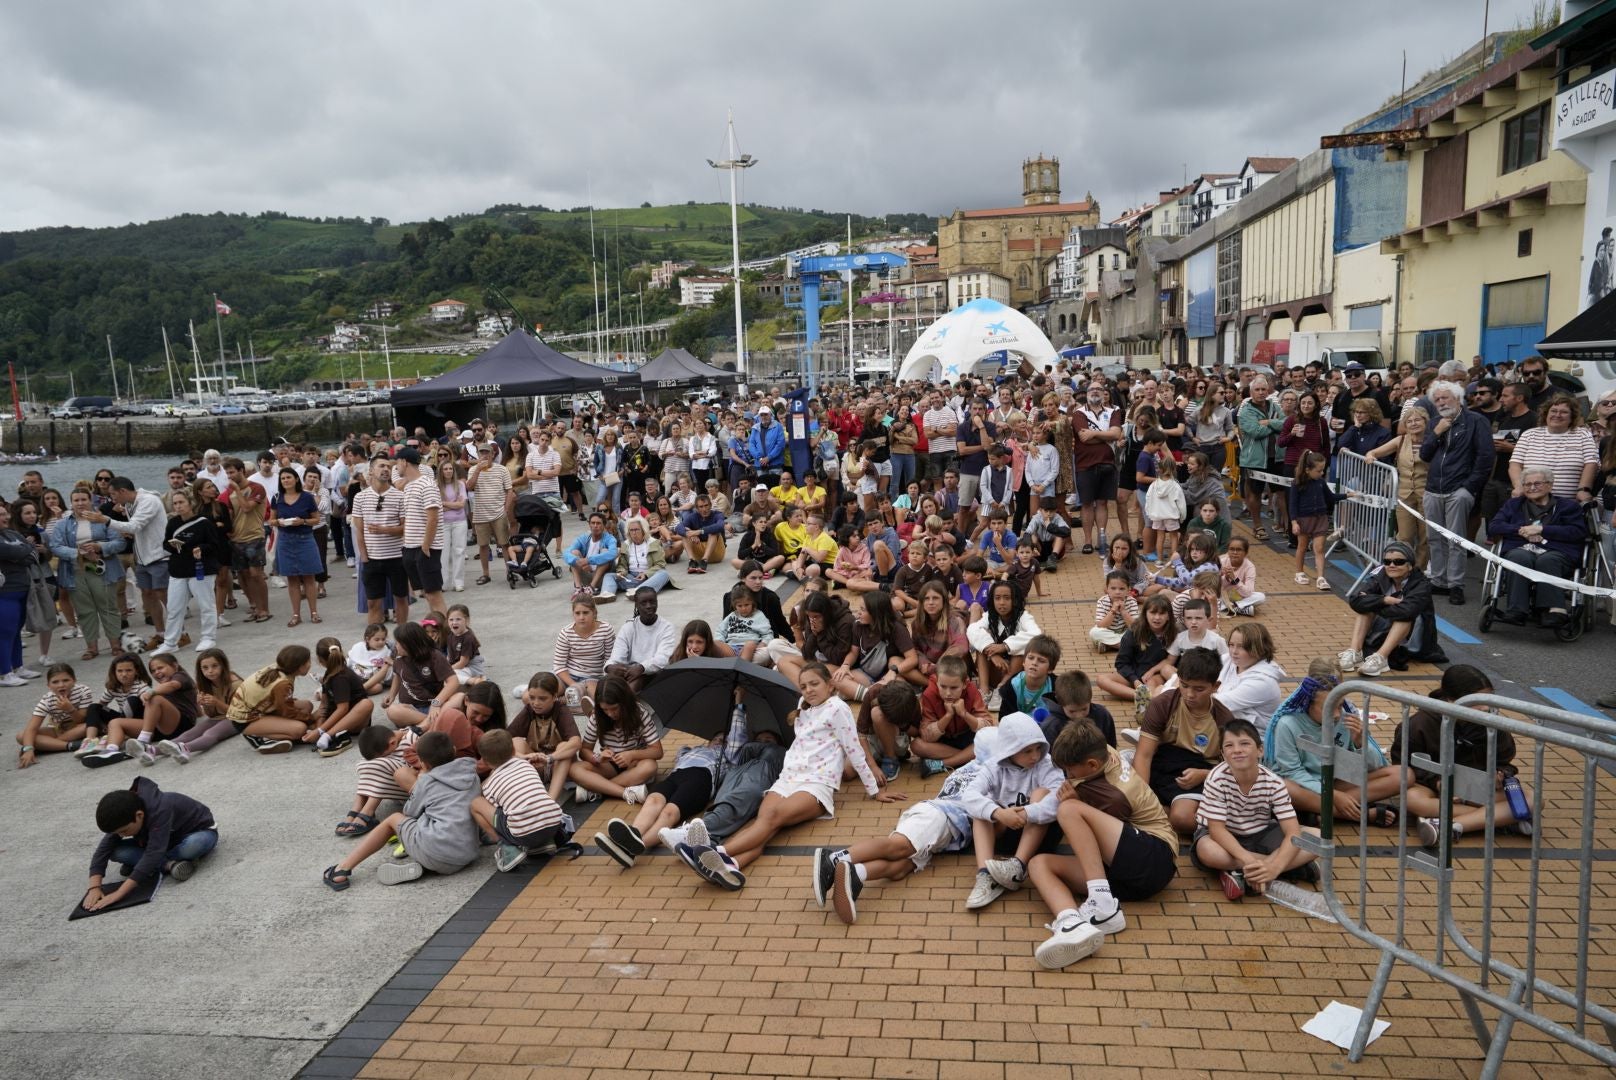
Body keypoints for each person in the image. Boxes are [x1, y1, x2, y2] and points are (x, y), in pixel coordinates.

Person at [676, 662, 902, 889]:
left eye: (815, 684)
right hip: (787, 780)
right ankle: (732, 867)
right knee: (764, 825)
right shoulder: (803, 709)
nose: (809, 690)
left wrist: (874, 790)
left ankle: (713, 853)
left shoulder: (837, 707)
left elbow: (853, 749)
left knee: (771, 819)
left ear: (830, 685)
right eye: (804, 686)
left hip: (816, 784)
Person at [1025, 719, 1179, 970]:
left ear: (1092, 765)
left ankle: (1102, 903)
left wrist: (1076, 801)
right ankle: (1071, 923)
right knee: (1039, 864)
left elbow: (1099, 835)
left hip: (1155, 856)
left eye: (1071, 773)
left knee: (1069, 809)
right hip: (1126, 871)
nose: (1068, 777)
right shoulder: (1102, 750)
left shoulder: (1113, 795)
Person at [813, 726, 995, 925]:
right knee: (898, 847)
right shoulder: (990, 774)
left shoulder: (969, 767)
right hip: (935, 817)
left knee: (900, 868)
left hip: (943, 832)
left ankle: (854, 873)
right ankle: (833, 859)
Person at [594, 691, 753, 869]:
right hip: (677, 775)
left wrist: (739, 704)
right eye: (715, 738)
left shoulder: (728, 756)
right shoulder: (692, 750)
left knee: (669, 812)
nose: (718, 741)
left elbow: (737, 740)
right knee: (653, 799)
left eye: (723, 740)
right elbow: (680, 753)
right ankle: (634, 832)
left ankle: (635, 848)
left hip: (702, 778)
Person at [1390, 665, 1533, 848]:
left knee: (1532, 799)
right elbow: (1402, 763)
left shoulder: (1491, 722)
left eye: (1488, 698)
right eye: (1476, 701)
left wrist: (1501, 773)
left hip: (1474, 788)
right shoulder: (1420, 723)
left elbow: (1504, 759)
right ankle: (1499, 818)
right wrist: (1437, 782)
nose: (1484, 707)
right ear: (1451, 699)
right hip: (1433, 789)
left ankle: (1450, 825)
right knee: (1412, 799)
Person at [322, 730, 480, 890]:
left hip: (436, 851)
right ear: (453, 750)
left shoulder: (427, 782)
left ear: (423, 764)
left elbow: (410, 813)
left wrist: (420, 779)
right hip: (465, 855)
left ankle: (342, 869)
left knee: (393, 819)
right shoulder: (471, 775)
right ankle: (427, 866)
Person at [1191, 718, 1320, 901]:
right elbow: (1217, 830)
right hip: (1223, 837)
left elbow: (1293, 831)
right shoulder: (1216, 778)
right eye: (1229, 746)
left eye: (1245, 743)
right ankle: (1289, 868)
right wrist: (1250, 861)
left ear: (1260, 750)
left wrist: (1274, 867)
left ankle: (1247, 874)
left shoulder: (1274, 782)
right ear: (1222, 754)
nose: (1237, 750)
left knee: (1318, 839)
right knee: (1207, 851)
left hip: (1260, 833)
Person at [959, 712, 1064, 910]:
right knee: (982, 809)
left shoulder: (1046, 763)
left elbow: (1058, 799)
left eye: (1038, 748)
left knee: (1042, 793)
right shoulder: (993, 767)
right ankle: (985, 876)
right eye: (1027, 751)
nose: (1035, 756)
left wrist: (1026, 813)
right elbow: (969, 796)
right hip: (1006, 832)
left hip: (1040, 836)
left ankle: (1018, 867)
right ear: (1010, 751)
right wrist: (998, 813)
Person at [1130, 647, 1234, 835]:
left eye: (1199, 689)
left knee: (1182, 818)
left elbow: (1233, 769)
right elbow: (1144, 755)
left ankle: (1230, 827)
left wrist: (1204, 775)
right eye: (1184, 685)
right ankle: (1160, 812)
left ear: (1215, 686)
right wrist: (1143, 798)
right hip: (1161, 764)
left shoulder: (1224, 719)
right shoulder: (1164, 704)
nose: (1190, 694)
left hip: (1198, 770)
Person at [84, 778, 217, 909]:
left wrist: (119, 893)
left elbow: (154, 852)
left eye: (124, 831)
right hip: (157, 843)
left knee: (194, 845)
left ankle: (149, 865)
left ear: (139, 815)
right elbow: (103, 850)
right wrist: (94, 887)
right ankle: (167, 865)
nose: (121, 835)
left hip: (197, 834)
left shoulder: (160, 809)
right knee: (114, 851)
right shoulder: (123, 816)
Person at [1420, 380, 1495, 606]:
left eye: (1445, 397)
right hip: (1433, 488)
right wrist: (1437, 432)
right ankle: (1439, 580)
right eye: (1437, 399)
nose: (1441, 402)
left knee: (1455, 539)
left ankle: (1455, 585)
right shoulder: (1435, 422)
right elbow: (1425, 454)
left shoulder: (1476, 421)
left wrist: (1469, 487)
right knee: (1434, 537)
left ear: (1458, 398)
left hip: (1459, 490)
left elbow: (1485, 457)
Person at [1486, 465, 1588, 629]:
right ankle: (1517, 610)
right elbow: (1494, 526)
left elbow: (1577, 532)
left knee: (1548, 560)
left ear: (1550, 485)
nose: (1532, 487)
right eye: (1527, 484)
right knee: (1518, 557)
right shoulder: (1514, 505)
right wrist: (1522, 531)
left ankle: (1554, 611)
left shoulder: (1568, 507)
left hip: (1557, 551)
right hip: (1521, 547)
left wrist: (1543, 529)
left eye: (1537, 483)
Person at [85, 478, 170, 648]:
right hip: (143, 557)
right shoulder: (131, 504)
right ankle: (160, 633)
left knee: (164, 595)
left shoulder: (148, 501)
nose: (112, 499)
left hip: (159, 555)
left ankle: (180, 632)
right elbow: (135, 529)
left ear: (123, 491)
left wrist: (105, 520)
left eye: (113, 494)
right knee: (147, 594)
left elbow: (135, 526)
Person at [474, 728, 568, 872]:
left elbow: (500, 813)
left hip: (523, 834)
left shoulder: (490, 784)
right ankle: (542, 843)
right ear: (513, 751)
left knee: (476, 804)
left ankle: (506, 848)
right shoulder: (527, 765)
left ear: (485, 761)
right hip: (554, 825)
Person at [49, 488, 126, 663]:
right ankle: (92, 647)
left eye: (83, 499)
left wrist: (99, 546)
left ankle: (115, 644)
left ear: (91, 501)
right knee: (84, 610)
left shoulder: (102, 520)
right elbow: (55, 546)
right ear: (71, 503)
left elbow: (120, 543)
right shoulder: (62, 524)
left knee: (108, 607)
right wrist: (78, 552)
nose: (80, 503)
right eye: (76, 500)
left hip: (102, 569)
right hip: (75, 571)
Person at [1341, 539, 1436, 677]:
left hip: (1414, 637)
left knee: (1402, 617)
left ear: (1410, 566)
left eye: (1398, 562)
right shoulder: (1380, 576)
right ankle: (1355, 652)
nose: (1391, 565)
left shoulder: (1422, 584)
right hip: (1387, 628)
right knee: (1365, 609)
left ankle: (1381, 658)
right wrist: (1384, 600)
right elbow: (1355, 600)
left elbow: (1407, 611)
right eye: (1387, 562)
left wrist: (1374, 604)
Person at [568, 674, 663, 801]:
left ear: (625, 702)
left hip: (634, 764)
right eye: (605, 709)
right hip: (609, 764)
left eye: (614, 708)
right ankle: (625, 792)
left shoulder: (639, 713)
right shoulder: (597, 716)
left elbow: (657, 751)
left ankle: (597, 790)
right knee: (575, 769)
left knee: (650, 766)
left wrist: (631, 755)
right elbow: (584, 751)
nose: (610, 714)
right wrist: (598, 758)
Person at [158, 488, 222, 653]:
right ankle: (170, 642)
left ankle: (208, 637)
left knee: (205, 604)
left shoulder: (204, 522)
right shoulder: (172, 523)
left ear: (190, 503)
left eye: (181, 502)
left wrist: (201, 547)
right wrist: (171, 545)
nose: (178, 506)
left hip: (201, 568)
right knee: (174, 608)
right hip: (178, 569)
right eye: (175, 503)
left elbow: (216, 545)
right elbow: (165, 543)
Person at [1508, 394, 1599, 504]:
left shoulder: (1583, 435)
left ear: (1572, 417)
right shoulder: (1529, 435)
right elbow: (1515, 464)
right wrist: (1519, 486)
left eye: (1564, 412)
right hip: (1531, 501)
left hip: (1568, 502)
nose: (1557, 415)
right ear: (1546, 414)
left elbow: (1591, 463)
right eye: (1553, 411)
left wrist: (1583, 489)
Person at [507, 671, 582, 801]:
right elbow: (505, 739)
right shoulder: (529, 710)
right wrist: (525, 756)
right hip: (537, 764)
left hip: (558, 765)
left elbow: (576, 742)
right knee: (516, 742)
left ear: (554, 697)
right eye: (532, 697)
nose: (536, 703)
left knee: (564, 745)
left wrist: (550, 758)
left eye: (542, 698)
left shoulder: (561, 711)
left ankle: (551, 800)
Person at [228, 645, 316, 755]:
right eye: (308, 661)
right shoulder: (282, 684)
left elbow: (282, 703)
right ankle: (257, 737)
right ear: (299, 666)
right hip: (246, 720)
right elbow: (287, 712)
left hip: (261, 709)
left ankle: (281, 731)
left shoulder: (280, 668)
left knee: (307, 705)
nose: (310, 664)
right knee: (300, 728)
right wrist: (312, 720)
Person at [1094, 593, 1174, 710]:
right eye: (1153, 613)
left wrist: (1152, 673)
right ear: (1145, 613)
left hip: (1155, 675)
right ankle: (1140, 696)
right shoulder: (1134, 632)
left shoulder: (1173, 634)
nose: (1157, 617)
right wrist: (1135, 680)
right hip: (1133, 676)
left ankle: (1147, 703)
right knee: (1101, 679)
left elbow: (1171, 661)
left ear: (1168, 616)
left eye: (1162, 613)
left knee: (1151, 683)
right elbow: (1121, 663)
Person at [1072, 382, 1124, 554]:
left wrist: (1094, 433)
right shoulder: (1079, 413)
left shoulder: (1114, 411)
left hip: (1108, 463)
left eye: (1098, 389)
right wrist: (1106, 435)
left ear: (1104, 393)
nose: (1095, 391)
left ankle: (1101, 539)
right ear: (1087, 393)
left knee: (1102, 503)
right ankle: (1087, 541)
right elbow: (1083, 438)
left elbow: (1116, 434)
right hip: (1084, 464)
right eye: (1091, 389)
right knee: (1086, 504)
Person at [302, 637, 374, 756]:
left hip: (354, 722)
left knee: (366, 704)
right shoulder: (328, 675)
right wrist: (318, 727)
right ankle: (330, 735)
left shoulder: (341, 677)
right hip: (335, 719)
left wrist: (321, 730)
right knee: (303, 726)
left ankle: (329, 735)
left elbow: (343, 709)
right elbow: (324, 705)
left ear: (319, 660)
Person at [966, 579, 1041, 694]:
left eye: (1007, 598)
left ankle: (1001, 690)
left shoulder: (1023, 617)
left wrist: (1005, 646)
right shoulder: (989, 616)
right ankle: (984, 691)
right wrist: (992, 651)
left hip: (1016, 675)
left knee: (1020, 649)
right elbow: (972, 629)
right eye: (997, 598)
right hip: (995, 670)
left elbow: (1037, 634)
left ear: (1014, 600)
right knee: (981, 646)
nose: (1001, 602)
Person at [397, 447, 447, 613]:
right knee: (426, 594)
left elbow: (432, 518)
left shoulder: (426, 484)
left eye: (397, 462)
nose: (395, 467)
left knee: (434, 594)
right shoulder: (409, 486)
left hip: (425, 549)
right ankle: (435, 630)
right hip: (411, 547)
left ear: (404, 462)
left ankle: (445, 635)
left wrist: (426, 546)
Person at [384, 621, 460, 728]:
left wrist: (436, 703)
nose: (395, 646)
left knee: (460, 697)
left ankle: (424, 726)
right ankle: (435, 723)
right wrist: (391, 695)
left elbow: (453, 682)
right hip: (411, 710)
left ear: (409, 645)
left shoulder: (434, 656)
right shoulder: (398, 657)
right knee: (392, 710)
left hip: (436, 705)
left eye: (398, 643)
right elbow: (397, 675)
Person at [16, 662, 94, 767]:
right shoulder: (47, 700)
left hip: (79, 727)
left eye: (66, 680)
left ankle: (46, 745)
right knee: (21, 736)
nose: (61, 685)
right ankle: (69, 746)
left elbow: (82, 719)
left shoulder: (83, 691)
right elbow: (32, 728)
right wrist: (28, 749)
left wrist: (70, 709)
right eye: (55, 682)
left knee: (88, 726)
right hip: (59, 730)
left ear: (74, 680)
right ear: (48, 685)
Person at [1236, 376, 1283, 541]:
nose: (1261, 393)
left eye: (1264, 389)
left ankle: (1285, 526)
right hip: (1254, 459)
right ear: (1251, 392)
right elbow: (1255, 432)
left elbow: (1286, 424)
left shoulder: (1275, 405)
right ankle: (1258, 526)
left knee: (1281, 492)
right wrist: (1274, 425)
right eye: (1257, 390)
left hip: (1276, 457)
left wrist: (1267, 422)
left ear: (1268, 390)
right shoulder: (1246, 411)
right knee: (1254, 493)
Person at [1214, 622, 1286, 731]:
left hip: (1252, 738)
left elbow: (1219, 703)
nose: (1234, 651)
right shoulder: (1229, 660)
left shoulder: (1263, 681)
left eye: (1241, 647)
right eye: (1231, 645)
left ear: (1258, 648)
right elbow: (1200, 669)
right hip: (1228, 728)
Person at [604, 587, 677, 693]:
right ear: (636, 605)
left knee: (637, 680)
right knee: (607, 682)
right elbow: (617, 656)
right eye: (643, 603)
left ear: (657, 602)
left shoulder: (666, 627)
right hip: (629, 671)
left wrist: (641, 668)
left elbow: (662, 659)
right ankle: (598, 708)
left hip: (654, 674)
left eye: (652, 602)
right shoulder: (628, 626)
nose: (649, 606)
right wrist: (610, 667)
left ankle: (626, 707)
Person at [1289, 451, 1341, 592]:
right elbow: (1292, 505)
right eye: (1319, 471)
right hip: (1304, 519)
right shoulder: (1297, 483)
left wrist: (1347, 495)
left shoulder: (1320, 482)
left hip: (1320, 518)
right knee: (1302, 546)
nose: (1322, 473)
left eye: (1323, 470)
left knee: (1319, 548)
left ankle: (1321, 577)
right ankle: (1299, 572)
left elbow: (1330, 497)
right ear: (1307, 470)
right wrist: (1294, 522)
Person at [552, 595, 615, 706]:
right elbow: (559, 666)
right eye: (577, 613)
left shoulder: (606, 629)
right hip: (568, 676)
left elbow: (610, 660)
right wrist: (574, 685)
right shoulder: (565, 633)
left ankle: (566, 701)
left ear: (594, 613)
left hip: (593, 677)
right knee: (532, 697)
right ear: (573, 614)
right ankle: (571, 699)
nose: (581, 617)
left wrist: (606, 683)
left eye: (586, 613)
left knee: (602, 702)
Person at [467, 442, 513, 584]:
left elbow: (509, 490)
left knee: (504, 543)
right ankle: (485, 574)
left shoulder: (502, 469)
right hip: (480, 513)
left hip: (499, 512)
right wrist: (477, 471)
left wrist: (506, 509)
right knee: (483, 545)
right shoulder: (473, 469)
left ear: (493, 454)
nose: (485, 455)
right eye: (482, 453)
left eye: (487, 452)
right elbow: (469, 487)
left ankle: (510, 572)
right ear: (478, 455)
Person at [565, 511, 619, 598]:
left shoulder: (610, 539)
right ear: (589, 525)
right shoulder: (584, 538)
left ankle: (591, 588)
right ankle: (578, 589)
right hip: (586, 574)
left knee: (605, 552)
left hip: (602, 578)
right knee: (574, 553)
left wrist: (589, 560)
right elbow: (566, 553)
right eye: (593, 523)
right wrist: (578, 561)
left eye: (598, 523)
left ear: (604, 525)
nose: (595, 526)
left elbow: (613, 553)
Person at [436, 460, 469, 592]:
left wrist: (444, 504)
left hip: (459, 521)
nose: (448, 471)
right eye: (445, 469)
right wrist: (452, 504)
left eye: (450, 469)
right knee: (443, 553)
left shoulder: (460, 484)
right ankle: (443, 582)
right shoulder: (435, 486)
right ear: (441, 471)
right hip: (443, 523)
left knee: (459, 551)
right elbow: (437, 507)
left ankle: (458, 582)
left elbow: (461, 505)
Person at [718, 584, 774, 663]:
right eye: (739, 606)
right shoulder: (732, 615)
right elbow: (720, 631)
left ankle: (741, 668)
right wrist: (720, 642)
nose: (743, 608)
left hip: (750, 649)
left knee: (750, 644)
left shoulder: (759, 615)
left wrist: (763, 644)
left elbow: (768, 634)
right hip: (732, 648)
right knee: (715, 643)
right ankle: (737, 663)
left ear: (752, 603)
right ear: (735, 606)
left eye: (747, 605)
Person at [675, 493, 727, 573]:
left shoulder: (717, 514)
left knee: (713, 532)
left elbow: (720, 526)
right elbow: (678, 527)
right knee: (685, 533)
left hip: (716, 553)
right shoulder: (693, 516)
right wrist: (689, 534)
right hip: (699, 554)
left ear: (710, 505)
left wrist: (699, 532)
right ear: (697, 508)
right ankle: (692, 561)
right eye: (701, 507)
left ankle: (704, 561)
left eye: (706, 505)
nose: (704, 509)